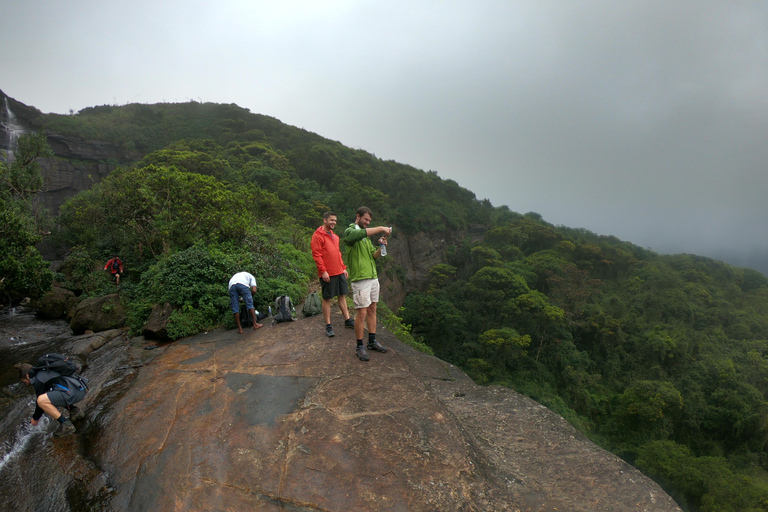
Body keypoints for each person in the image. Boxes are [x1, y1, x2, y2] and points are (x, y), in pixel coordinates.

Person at [343, 206, 392, 361]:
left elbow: (374, 256)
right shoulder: (350, 231)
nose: (367, 222)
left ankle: (372, 341)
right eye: (366, 219)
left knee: (372, 309)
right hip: (360, 279)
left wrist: (381, 246)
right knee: (361, 312)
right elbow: (357, 235)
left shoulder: (365, 238)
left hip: (372, 277)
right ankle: (359, 346)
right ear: (358, 216)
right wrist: (380, 228)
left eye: (369, 221)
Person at [311, 211, 355, 338]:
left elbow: (338, 253)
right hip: (327, 273)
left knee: (342, 295)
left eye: (335, 220)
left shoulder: (335, 237)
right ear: (325, 220)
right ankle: (328, 325)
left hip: (339, 271)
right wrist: (323, 270)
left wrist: (343, 268)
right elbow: (317, 255)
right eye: (331, 220)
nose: (334, 222)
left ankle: (347, 320)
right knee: (327, 298)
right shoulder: (317, 236)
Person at [18, 362, 87, 437]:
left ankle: (66, 424)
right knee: (49, 395)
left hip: (74, 393)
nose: (27, 384)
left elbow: (39, 404)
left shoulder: (39, 380)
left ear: (27, 376)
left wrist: (35, 419)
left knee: (41, 400)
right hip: (80, 388)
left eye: (25, 381)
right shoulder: (44, 371)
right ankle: (75, 411)